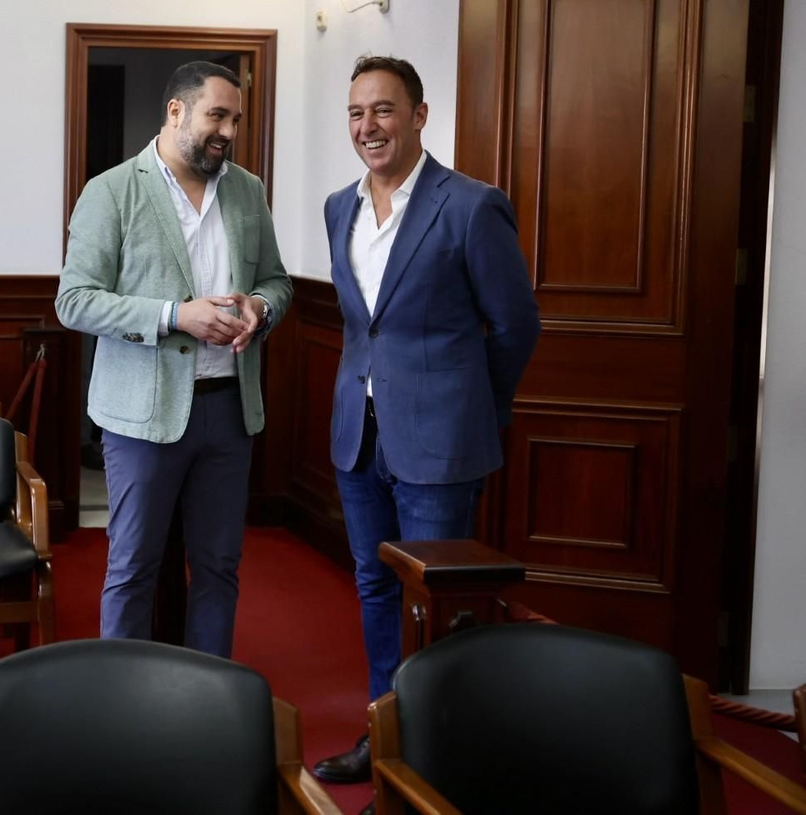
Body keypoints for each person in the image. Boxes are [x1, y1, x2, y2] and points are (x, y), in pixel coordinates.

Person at [312, 55, 540, 807]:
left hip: (441, 441)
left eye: (383, 109)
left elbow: (515, 326)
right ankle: (386, 738)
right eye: (355, 113)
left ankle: (434, 764)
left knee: (433, 602)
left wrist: (474, 407)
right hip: (359, 433)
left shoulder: (471, 205)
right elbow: (364, 325)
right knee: (376, 587)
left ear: (418, 115)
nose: (367, 126)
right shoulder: (338, 207)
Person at [56, 59, 292, 658]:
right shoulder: (111, 190)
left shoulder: (247, 190)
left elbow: (277, 280)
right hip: (141, 418)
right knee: (134, 566)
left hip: (229, 413)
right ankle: (124, 698)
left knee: (219, 567)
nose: (228, 132)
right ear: (176, 111)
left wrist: (260, 307)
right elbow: (75, 301)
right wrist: (174, 316)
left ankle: (208, 695)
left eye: (236, 120)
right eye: (218, 116)